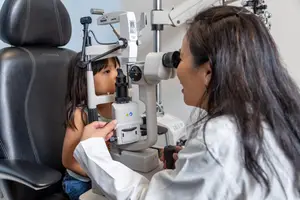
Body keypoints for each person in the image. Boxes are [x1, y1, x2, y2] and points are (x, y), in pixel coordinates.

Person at [73, 6, 300, 200]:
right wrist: (195, 167)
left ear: (208, 70)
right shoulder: (277, 115)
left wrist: (91, 150)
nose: (177, 68)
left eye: (180, 58)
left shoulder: (219, 137)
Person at [61, 52, 120, 200]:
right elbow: (68, 161)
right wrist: (99, 175)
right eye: (107, 71)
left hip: (105, 176)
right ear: (85, 79)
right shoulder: (81, 114)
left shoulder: (119, 107)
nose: (116, 75)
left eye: (118, 69)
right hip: (80, 181)